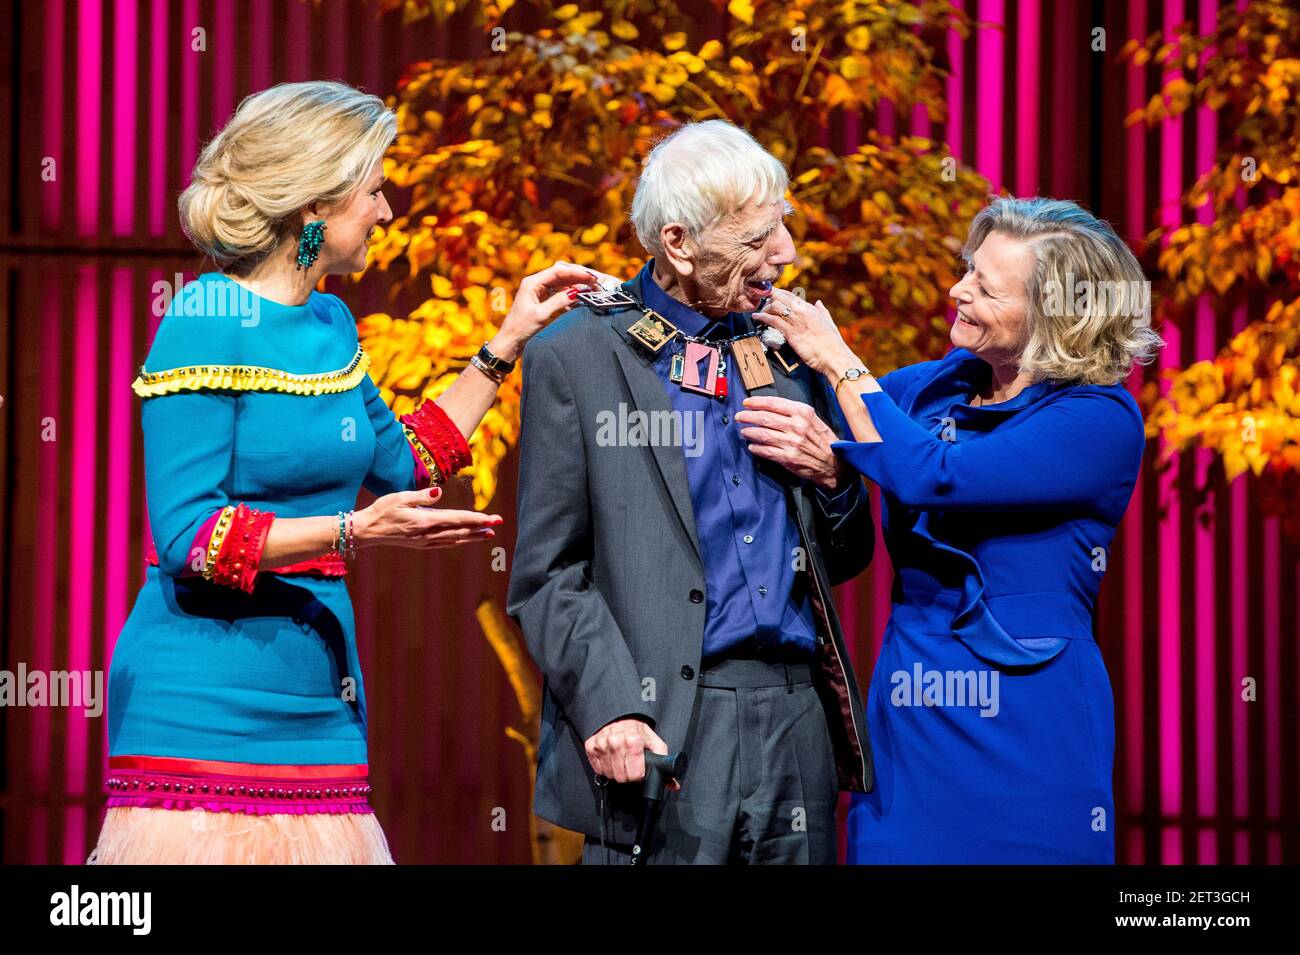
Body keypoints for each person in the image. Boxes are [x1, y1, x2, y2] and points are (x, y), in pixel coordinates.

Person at [88, 80, 600, 864]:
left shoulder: (330, 321)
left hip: (319, 695)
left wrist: (508, 342)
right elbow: (188, 533)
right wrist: (353, 531)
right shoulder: (204, 320)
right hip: (202, 701)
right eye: (375, 191)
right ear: (314, 207)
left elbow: (407, 465)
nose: (388, 212)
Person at [747, 196, 1164, 863]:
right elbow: (810, 409)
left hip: (1031, 720)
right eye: (967, 268)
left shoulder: (1100, 419)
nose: (956, 290)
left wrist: (840, 360)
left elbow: (934, 475)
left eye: (983, 285)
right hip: (911, 707)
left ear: (1052, 317)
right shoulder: (927, 390)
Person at [506, 120, 875, 865]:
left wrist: (836, 477)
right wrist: (609, 700)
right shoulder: (577, 357)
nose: (786, 256)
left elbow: (850, 552)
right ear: (678, 243)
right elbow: (547, 573)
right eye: (757, 239)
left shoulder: (789, 351)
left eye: (784, 229)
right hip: (664, 718)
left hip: (794, 717)